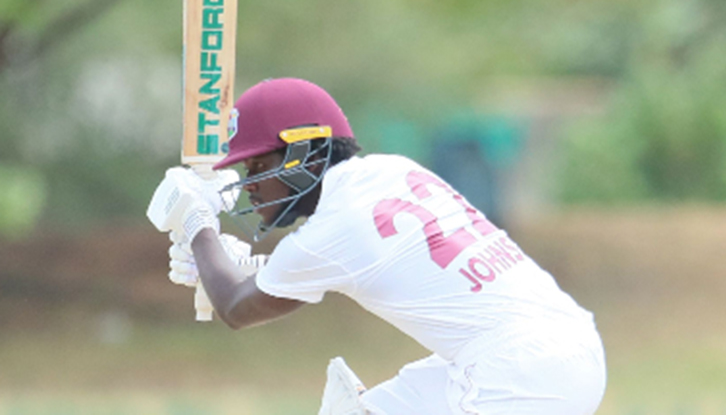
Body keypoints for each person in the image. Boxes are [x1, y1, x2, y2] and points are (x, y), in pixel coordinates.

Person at [151, 77, 606, 414]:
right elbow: (375, 257)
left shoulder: (332, 231)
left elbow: (236, 308)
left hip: (520, 372)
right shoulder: (390, 170)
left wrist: (197, 222)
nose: (251, 185)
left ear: (304, 155)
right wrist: (238, 263)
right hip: (558, 343)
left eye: (257, 166)